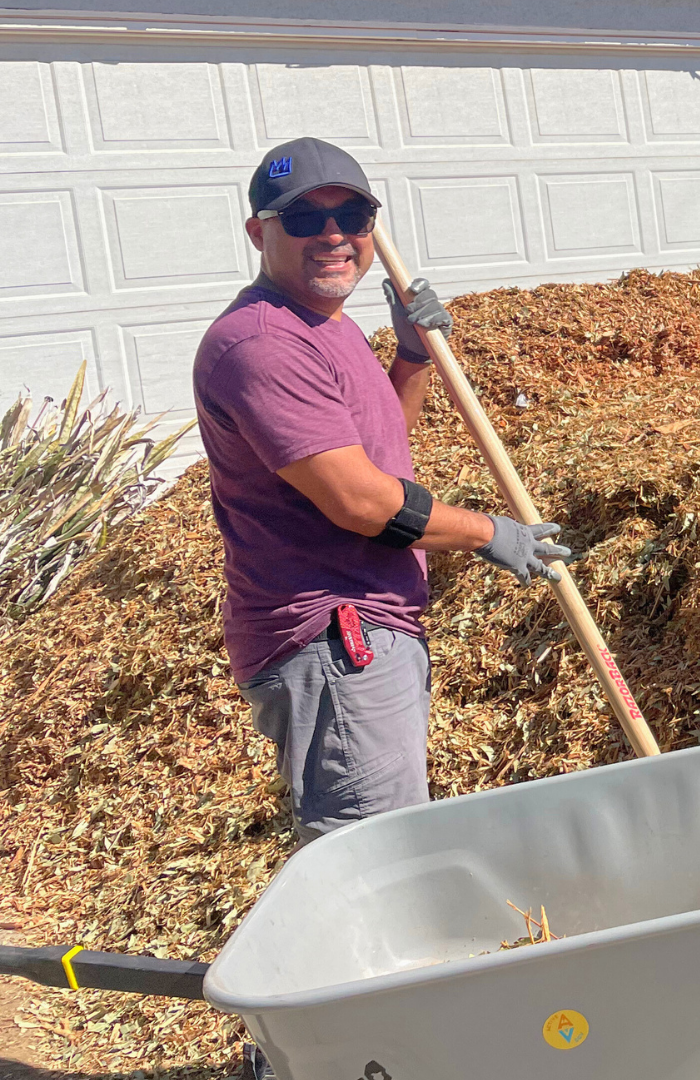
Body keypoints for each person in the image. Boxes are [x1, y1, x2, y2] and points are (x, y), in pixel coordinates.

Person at [193, 137, 570, 845]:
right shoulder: (263, 345)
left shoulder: (325, 326)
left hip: (367, 629)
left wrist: (414, 354)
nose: (333, 236)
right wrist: (492, 533)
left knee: (390, 849)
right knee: (377, 858)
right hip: (334, 639)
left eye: (353, 217)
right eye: (304, 220)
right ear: (258, 233)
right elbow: (362, 501)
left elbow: (383, 440)